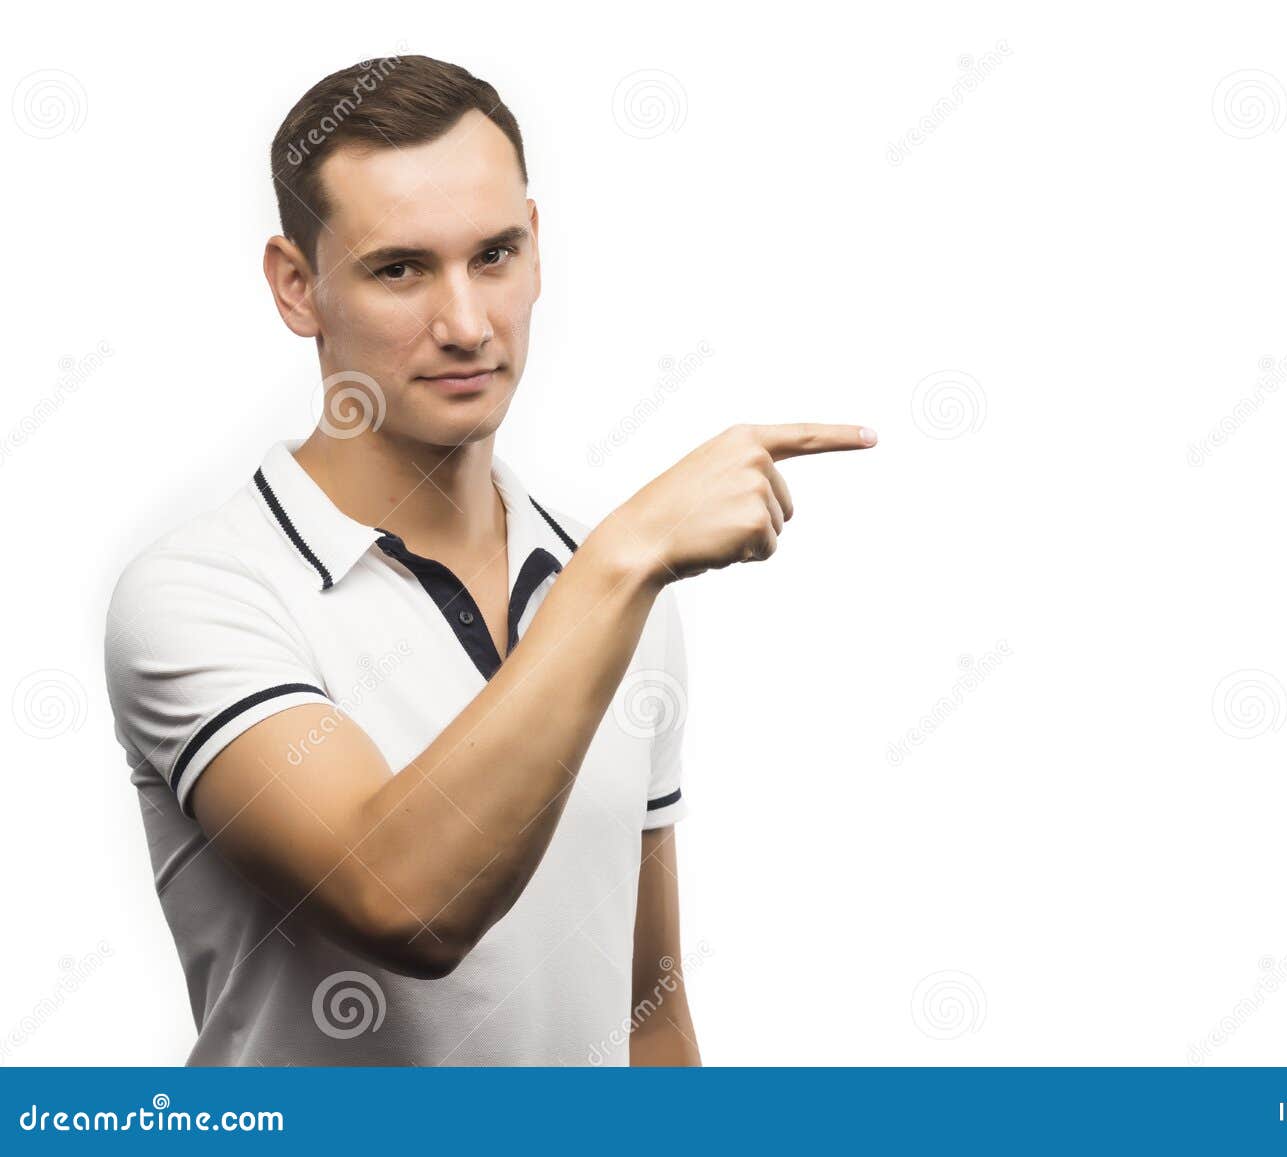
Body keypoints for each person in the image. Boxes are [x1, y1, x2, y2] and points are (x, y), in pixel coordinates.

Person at [101, 53, 876, 1066]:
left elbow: (647, 1013)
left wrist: (613, 572)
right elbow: (402, 900)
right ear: (298, 287)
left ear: (538, 248)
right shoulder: (203, 591)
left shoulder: (612, 582)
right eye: (400, 268)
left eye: (495, 255)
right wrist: (624, 560)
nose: (466, 324)